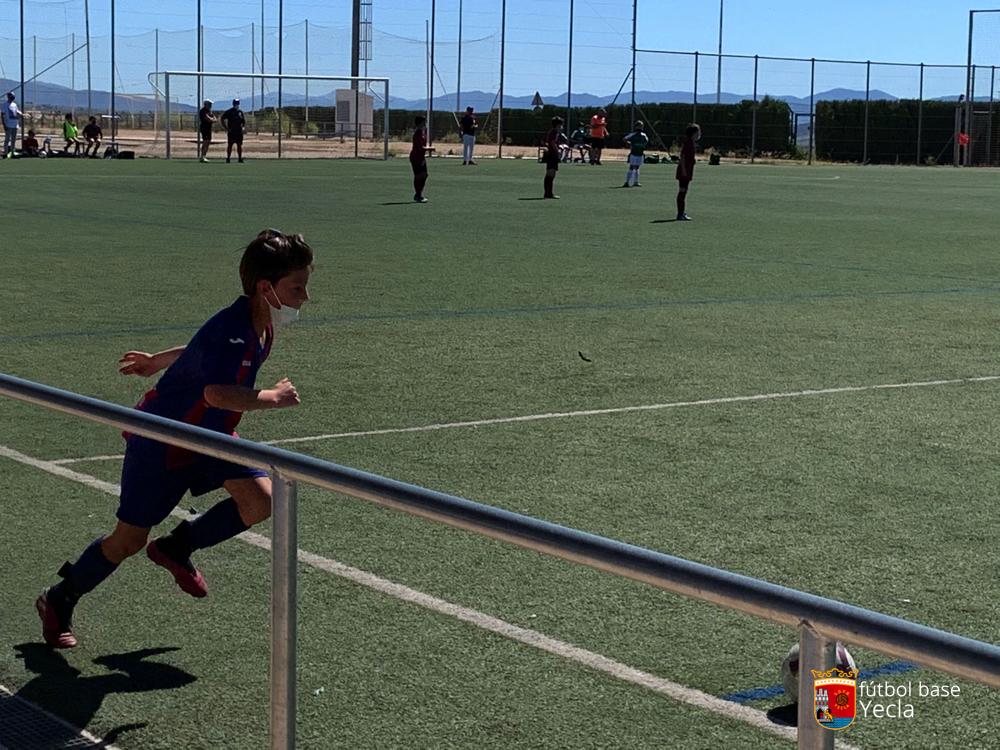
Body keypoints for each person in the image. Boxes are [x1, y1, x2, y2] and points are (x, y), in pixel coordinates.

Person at [35, 229, 313, 649]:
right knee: (128, 540)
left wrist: (155, 360)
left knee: (261, 500)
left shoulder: (260, 326)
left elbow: (197, 349)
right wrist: (271, 397)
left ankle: (177, 546)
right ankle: (59, 598)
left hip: (208, 434)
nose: (305, 297)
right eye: (297, 287)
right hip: (163, 440)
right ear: (264, 288)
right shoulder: (235, 327)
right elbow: (215, 392)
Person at [676, 123, 700, 221]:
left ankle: (681, 213)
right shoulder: (689, 143)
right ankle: (680, 214)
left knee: (684, 191)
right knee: (682, 191)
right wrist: (684, 170)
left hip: (687, 171)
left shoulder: (691, 143)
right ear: (694, 133)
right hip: (684, 172)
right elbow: (683, 156)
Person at [410, 115, 434, 203]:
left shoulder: (423, 133)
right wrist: (430, 149)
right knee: (418, 176)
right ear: (419, 123)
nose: (425, 124)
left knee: (425, 175)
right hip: (416, 157)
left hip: (421, 158)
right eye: (424, 122)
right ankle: (418, 194)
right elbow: (420, 147)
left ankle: (419, 193)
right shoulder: (417, 134)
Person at [622, 120, 649, 188]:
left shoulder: (643, 135)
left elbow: (646, 141)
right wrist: (629, 143)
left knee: (637, 167)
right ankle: (627, 182)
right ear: (636, 127)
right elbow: (625, 139)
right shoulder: (633, 134)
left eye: (642, 126)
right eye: (639, 126)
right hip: (634, 154)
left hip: (640, 154)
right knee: (631, 167)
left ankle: (636, 182)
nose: (640, 127)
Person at [542, 116, 563, 199]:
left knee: (552, 174)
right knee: (550, 174)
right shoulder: (554, 132)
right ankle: (548, 193)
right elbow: (553, 142)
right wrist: (557, 151)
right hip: (552, 155)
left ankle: (549, 192)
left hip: (552, 154)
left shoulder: (553, 132)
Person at [221, 98, 246, 164]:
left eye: (237, 103)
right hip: (232, 131)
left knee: (239, 145)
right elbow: (222, 118)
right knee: (230, 145)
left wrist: (243, 127)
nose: (236, 105)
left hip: (239, 132)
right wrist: (226, 128)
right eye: (235, 103)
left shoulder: (240, 112)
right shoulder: (229, 111)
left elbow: (243, 121)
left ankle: (240, 158)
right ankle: (228, 158)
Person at [2, 92, 21, 158]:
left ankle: (12, 153)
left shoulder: (15, 105)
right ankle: (6, 153)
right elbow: (3, 115)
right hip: (8, 125)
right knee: (7, 140)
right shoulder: (4, 105)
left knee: (13, 140)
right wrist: (4, 125)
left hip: (15, 125)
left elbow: (17, 112)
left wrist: (21, 114)